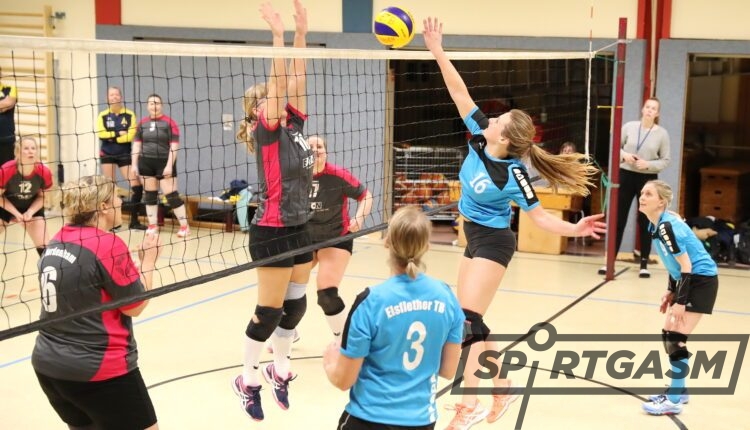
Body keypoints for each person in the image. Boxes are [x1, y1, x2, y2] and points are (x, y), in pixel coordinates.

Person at [423, 17, 607, 429]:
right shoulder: (478, 134)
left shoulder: (514, 174)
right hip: (472, 234)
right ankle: (503, 388)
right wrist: (437, 50)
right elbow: (458, 91)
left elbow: (539, 217)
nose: (490, 119)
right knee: (472, 321)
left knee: (467, 323)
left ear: (504, 138)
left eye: (498, 120)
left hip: (494, 242)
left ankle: (468, 406)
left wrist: (575, 229)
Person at [231, 0, 313, 422]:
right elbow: (280, 83)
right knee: (269, 313)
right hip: (272, 230)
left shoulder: (294, 126)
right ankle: (247, 378)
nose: (278, 99)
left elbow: (296, 79)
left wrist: (301, 34)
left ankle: (279, 370)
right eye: (269, 99)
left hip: (301, 226)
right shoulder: (267, 132)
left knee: (295, 309)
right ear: (258, 110)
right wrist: (278, 36)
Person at [31, 174, 162, 430]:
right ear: (103, 206)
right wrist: (149, 262)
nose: (121, 202)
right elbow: (135, 306)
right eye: (117, 198)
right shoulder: (107, 244)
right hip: (98, 368)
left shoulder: (57, 240)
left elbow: (90, 286)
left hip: (49, 367)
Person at [323, 206, 464, 429]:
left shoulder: (371, 301)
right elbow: (448, 370)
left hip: (369, 419)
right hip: (421, 422)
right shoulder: (447, 297)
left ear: (387, 242)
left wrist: (330, 363)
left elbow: (343, 380)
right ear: (426, 246)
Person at [638, 180, 718, 416]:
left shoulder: (666, 227)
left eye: (648, 194)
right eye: (642, 193)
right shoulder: (655, 225)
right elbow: (673, 263)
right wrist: (671, 290)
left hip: (700, 280)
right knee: (668, 334)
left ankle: (673, 400)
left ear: (661, 202)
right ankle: (679, 390)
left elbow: (686, 265)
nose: (642, 197)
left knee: (676, 339)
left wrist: (681, 301)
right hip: (689, 279)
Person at [308, 135, 373, 340]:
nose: (315, 150)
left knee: (326, 294)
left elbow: (366, 195)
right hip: (305, 239)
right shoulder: (295, 177)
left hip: (336, 237)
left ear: (326, 152)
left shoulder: (337, 175)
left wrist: (359, 218)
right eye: (310, 147)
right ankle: (287, 331)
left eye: (319, 146)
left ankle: (344, 341)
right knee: (285, 287)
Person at [599, 97, 670, 278]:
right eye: (647, 107)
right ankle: (609, 262)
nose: (649, 110)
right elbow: (615, 146)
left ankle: (644, 264)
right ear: (642, 109)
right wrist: (624, 155)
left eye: (653, 108)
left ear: (657, 113)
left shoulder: (662, 134)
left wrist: (648, 164)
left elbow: (665, 160)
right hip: (626, 175)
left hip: (647, 179)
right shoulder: (629, 127)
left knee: (645, 221)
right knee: (619, 219)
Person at [131, 93, 190, 237]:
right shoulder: (142, 123)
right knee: (150, 195)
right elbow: (137, 145)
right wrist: (134, 164)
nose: (154, 106)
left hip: (164, 162)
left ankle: (185, 227)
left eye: (157, 103)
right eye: (151, 103)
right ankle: (153, 225)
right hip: (146, 162)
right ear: (147, 106)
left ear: (161, 105)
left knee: (172, 196)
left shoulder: (169, 123)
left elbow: (174, 146)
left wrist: (169, 165)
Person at [97, 86, 146, 230]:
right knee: (110, 188)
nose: (114, 97)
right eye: (111, 95)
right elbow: (101, 134)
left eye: (116, 94)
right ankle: (112, 223)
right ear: (107, 98)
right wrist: (118, 134)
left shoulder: (129, 114)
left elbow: (130, 136)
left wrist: (112, 137)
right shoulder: (103, 115)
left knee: (137, 186)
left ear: (121, 97)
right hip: (107, 154)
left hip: (124, 154)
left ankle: (134, 221)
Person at [0, 136, 52, 256]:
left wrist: (30, 212)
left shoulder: (44, 172)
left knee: (45, 248)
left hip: (31, 206)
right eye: (26, 148)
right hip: (6, 206)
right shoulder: (6, 170)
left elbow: (43, 197)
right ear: (18, 152)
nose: (30, 151)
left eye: (33, 148)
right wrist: (16, 214)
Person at [0, 66, 18, 166]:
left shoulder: (10, 89)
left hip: (7, 140)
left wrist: (5, 104)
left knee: (7, 170)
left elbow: (9, 102)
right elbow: (5, 104)